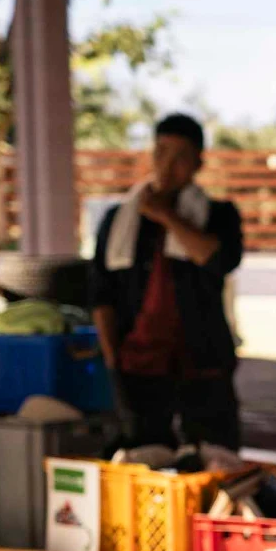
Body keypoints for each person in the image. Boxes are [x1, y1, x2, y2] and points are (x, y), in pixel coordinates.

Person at [90, 113, 244, 451]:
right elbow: (101, 294)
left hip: (203, 361)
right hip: (138, 363)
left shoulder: (219, 215)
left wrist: (167, 216)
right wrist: (112, 358)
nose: (168, 165)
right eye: (161, 152)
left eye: (181, 156)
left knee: (215, 458)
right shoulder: (119, 219)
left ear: (198, 163)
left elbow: (218, 260)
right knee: (145, 458)